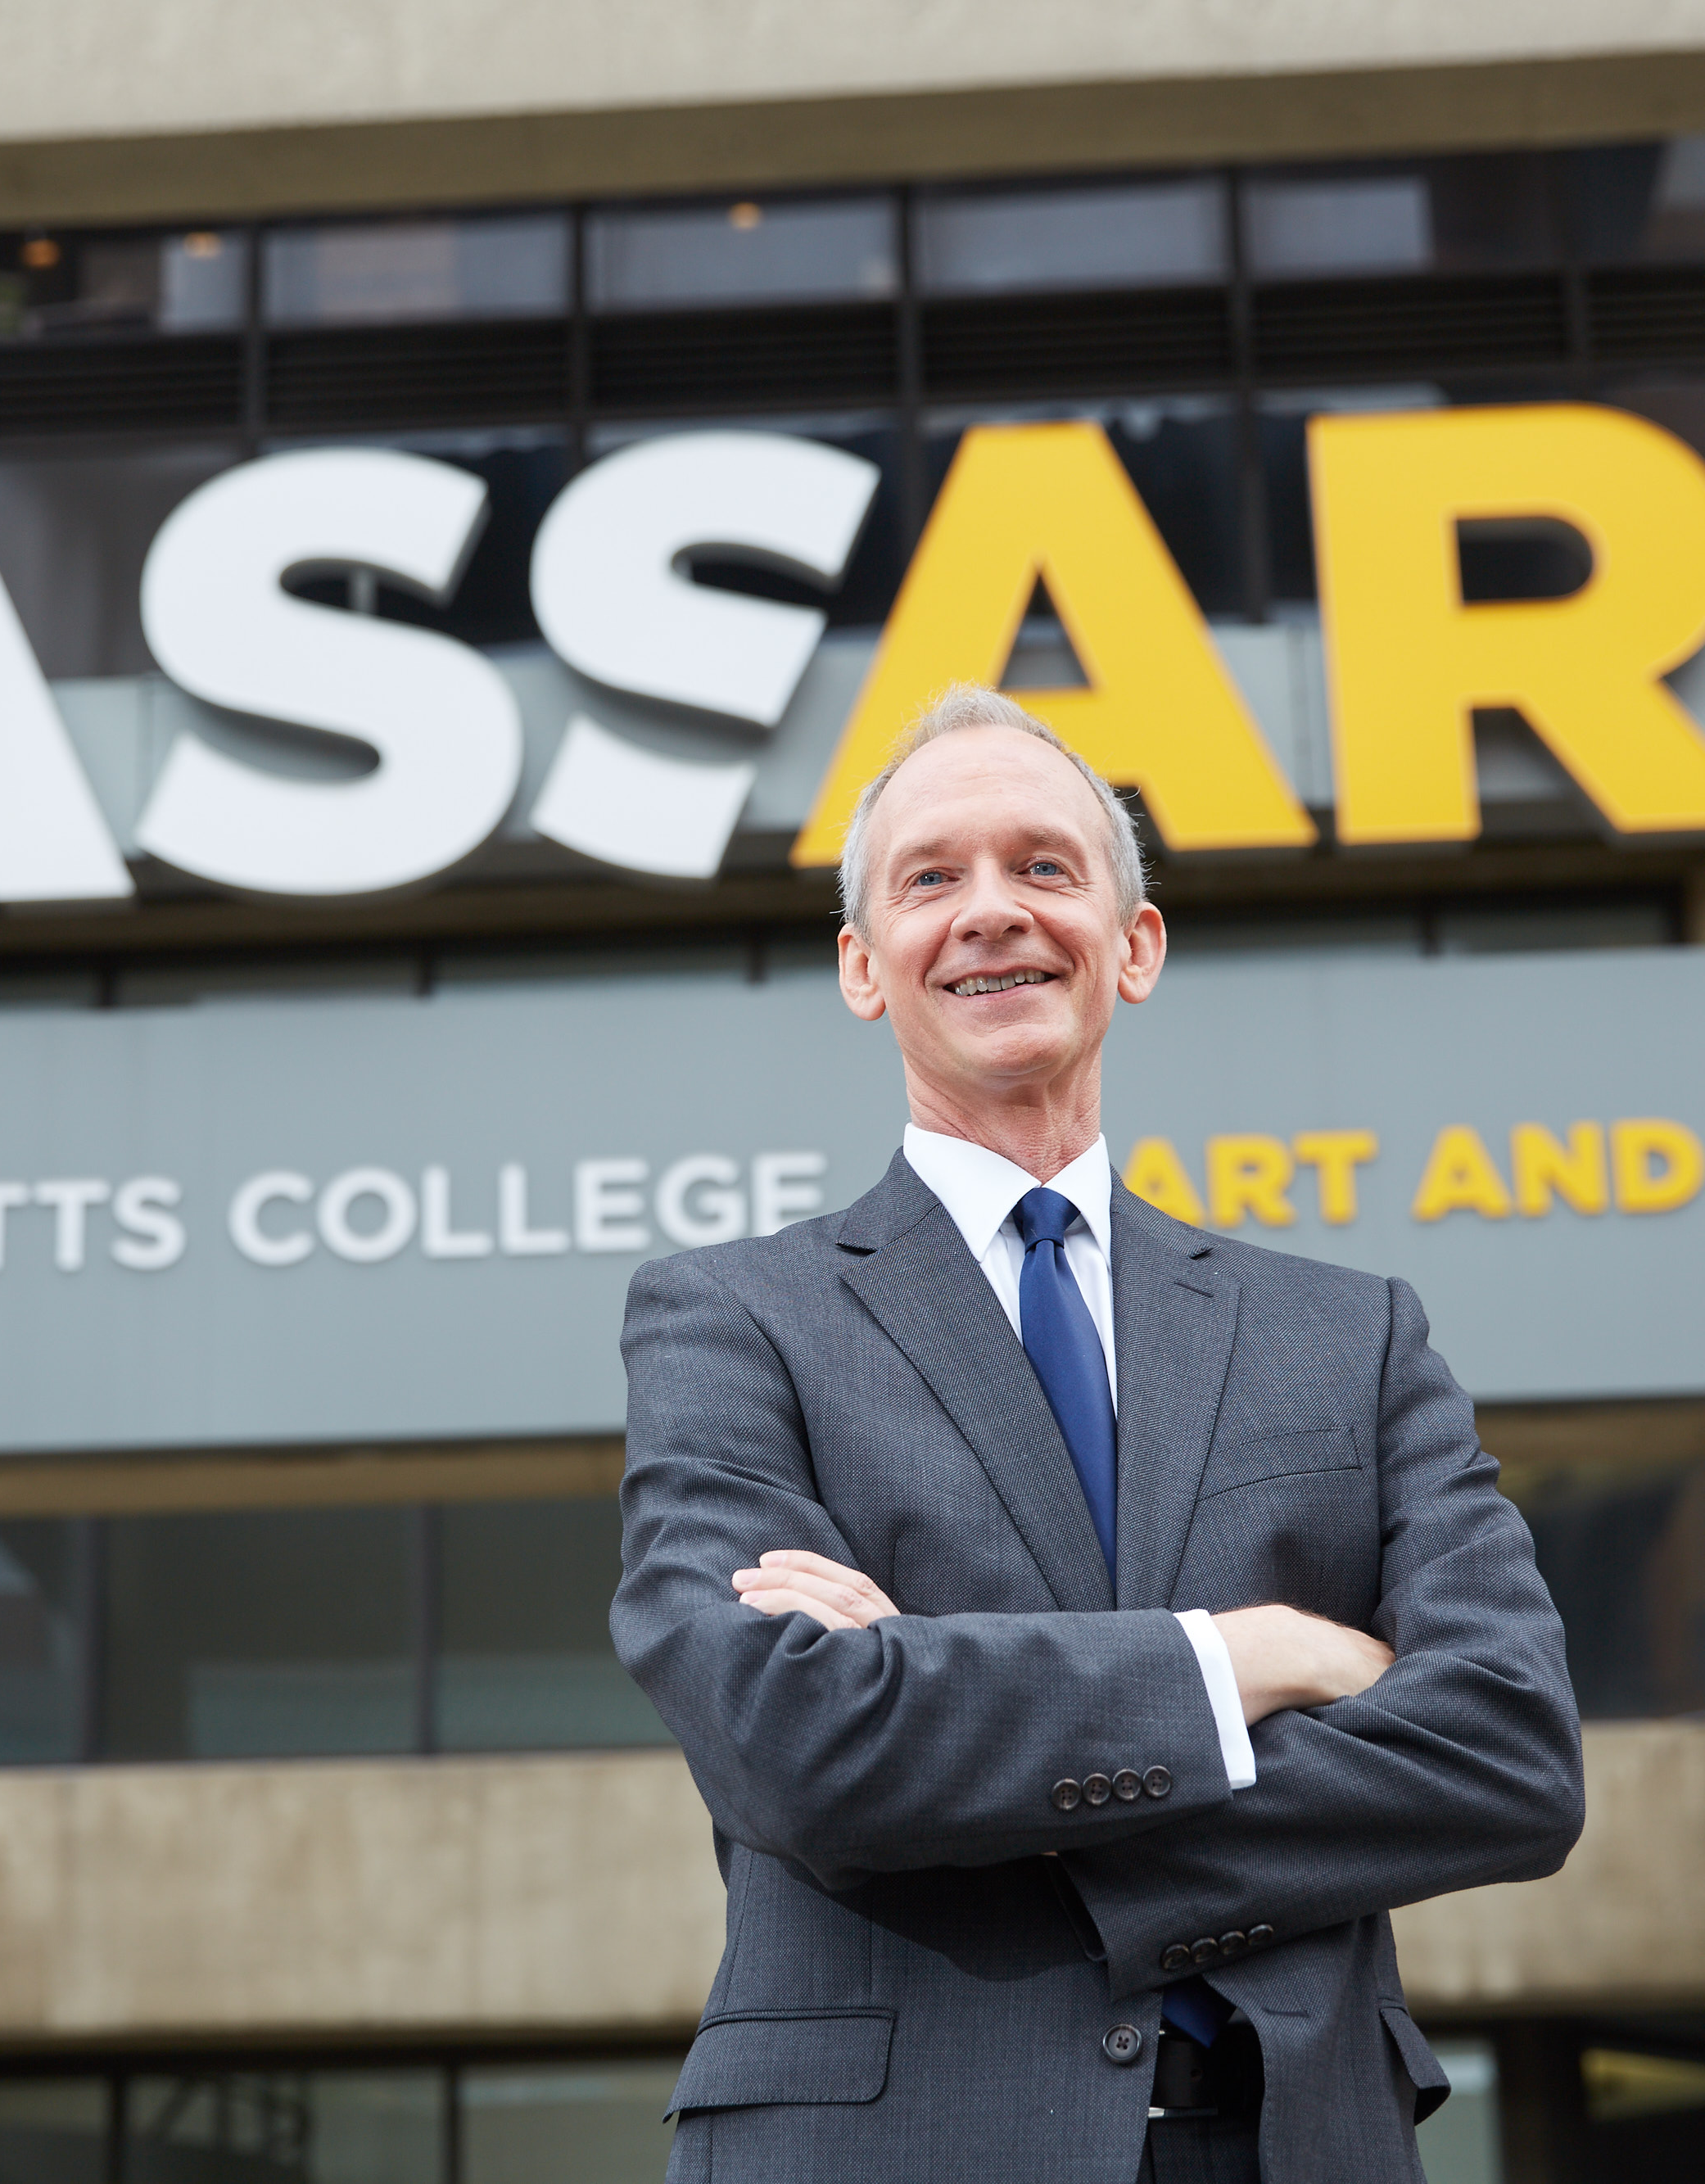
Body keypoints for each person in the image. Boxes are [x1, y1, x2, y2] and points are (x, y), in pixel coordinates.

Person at [609, 685, 1585, 2184]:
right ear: (866, 969)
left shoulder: (1353, 1334)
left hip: (1292, 2144)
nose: (991, 912)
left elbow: (1510, 1756)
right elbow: (791, 1742)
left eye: (1045, 869)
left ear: (1134, 946)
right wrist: (1257, 1660)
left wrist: (940, 1739)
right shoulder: (732, 1318)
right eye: (932, 879)